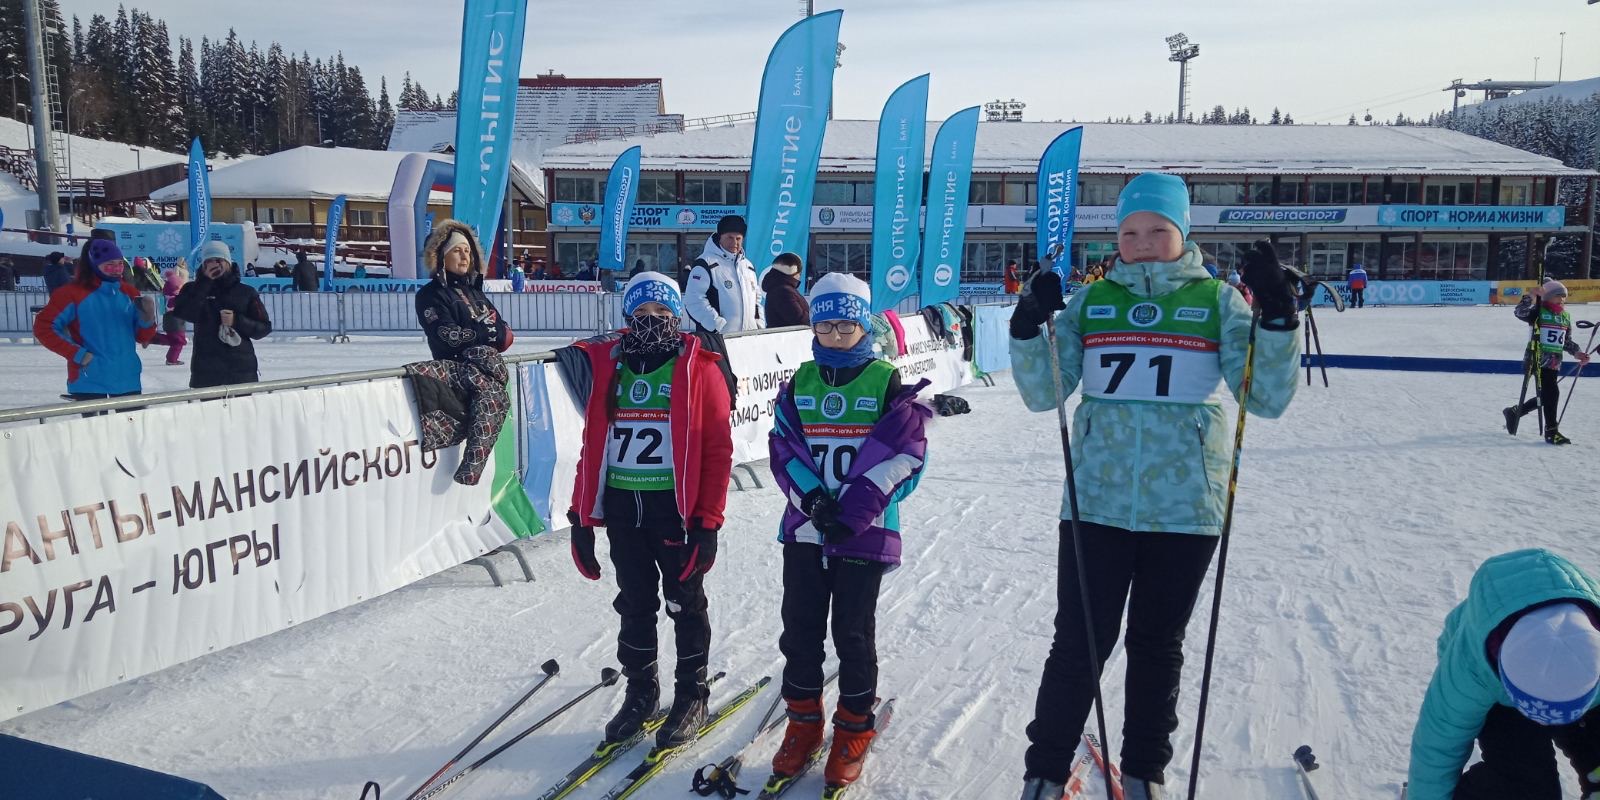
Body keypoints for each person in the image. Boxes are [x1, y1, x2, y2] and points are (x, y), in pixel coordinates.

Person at [1008, 172, 1302, 800]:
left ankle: (1145, 772)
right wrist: (1028, 323)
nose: (1142, 243)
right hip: (1096, 502)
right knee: (1078, 645)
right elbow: (1043, 393)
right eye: (1130, 232)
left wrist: (1277, 316)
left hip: (1186, 506)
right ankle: (1045, 772)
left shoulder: (1219, 301)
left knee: (1156, 645)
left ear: (1183, 232)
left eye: (1157, 230)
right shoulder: (1092, 302)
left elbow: (1265, 398)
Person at [766, 272, 930, 792]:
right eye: (825, 325)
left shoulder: (884, 380)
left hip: (865, 531)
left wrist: (853, 509)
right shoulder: (801, 381)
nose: (835, 335)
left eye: (846, 326)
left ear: (863, 326)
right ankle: (802, 724)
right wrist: (814, 500)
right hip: (806, 529)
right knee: (800, 631)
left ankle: (854, 729)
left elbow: (907, 455)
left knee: (853, 635)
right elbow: (783, 448)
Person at [565, 271, 733, 752]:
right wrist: (581, 519)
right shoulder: (610, 367)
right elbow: (593, 446)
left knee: (684, 601)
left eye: (662, 312)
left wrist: (707, 523)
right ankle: (641, 691)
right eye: (640, 312)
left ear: (676, 315)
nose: (651, 320)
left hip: (672, 511)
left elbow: (717, 450)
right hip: (624, 507)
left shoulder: (699, 368)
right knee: (635, 603)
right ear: (627, 315)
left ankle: (692, 695)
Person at [1408, 549, 1600, 800]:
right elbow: (1437, 749)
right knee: (1526, 786)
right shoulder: (1469, 672)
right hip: (1499, 699)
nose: (1546, 724)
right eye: (1538, 713)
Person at [32, 238, 159, 401]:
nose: (116, 269)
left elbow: (142, 337)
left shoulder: (129, 292)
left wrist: (147, 319)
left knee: (132, 419)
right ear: (93, 264)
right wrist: (77, 354)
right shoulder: (71, 294)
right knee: (95, 419)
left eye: (120, 264)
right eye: (110, 265)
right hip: (88, 380)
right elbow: (44, 327)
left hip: (127, 379)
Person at [171, 241, 273, 389]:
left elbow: (264, 328)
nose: (214, 265)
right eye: (209, 261)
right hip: (206, 371)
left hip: (241, 372)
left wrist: (237, 320)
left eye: (218, 260)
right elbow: (184, 313)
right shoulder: (192, 289)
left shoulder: (246, 292)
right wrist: (205, 282)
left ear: (228, 263)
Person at [1502, 279, 1590, 445]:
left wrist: (1577, 352)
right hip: (1536, 359)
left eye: (1564, 297)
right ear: (1548, 297)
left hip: (1554, 362)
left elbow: (1565, 341)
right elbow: (1520, 312)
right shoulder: (1538, 311)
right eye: (1558, 296)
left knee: (1546, 395)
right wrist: (1530, 296)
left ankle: (1515, 412)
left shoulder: (1564, 316)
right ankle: (1551, 431)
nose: (1562, 299)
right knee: (1552, 393)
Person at [415, 219, 514, 361]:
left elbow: (505, 336)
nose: (464, 256)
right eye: (456, 250)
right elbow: (448, 338)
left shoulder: (475, 291)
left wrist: (488, 332)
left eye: (467, 251)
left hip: (491, 370)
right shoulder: (430, 295)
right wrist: (485, 330)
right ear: (441, 256)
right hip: (455, 371)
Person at [685, 214, 763, 333]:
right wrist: (715, 325)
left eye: (738, 238)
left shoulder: (748, 266)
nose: (734, 242)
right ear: (720, 237)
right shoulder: (705, 263)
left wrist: (759, 325)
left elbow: (756, 300)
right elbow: (693, 299)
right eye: (729, 237)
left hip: (749, 337)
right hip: (718, 338)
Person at [762, 252, 810, 328]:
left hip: (782, 334)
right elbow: (800, 320)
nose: (799, 276)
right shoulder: (784, 292)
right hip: (788, 335)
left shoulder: (780, 287)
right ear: (794, 273)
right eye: (799, 272)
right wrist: (816, 318)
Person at [159, 261, 190, 366]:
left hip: (174, 322)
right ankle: (172, 359)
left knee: (176, 341)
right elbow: (172, 307)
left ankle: (171, 358)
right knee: (178, 341)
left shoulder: (171, 297)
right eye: (178, 288)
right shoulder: (172, 299)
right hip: (174, 323)